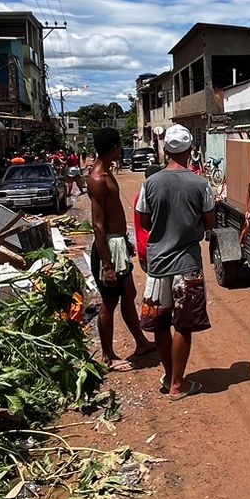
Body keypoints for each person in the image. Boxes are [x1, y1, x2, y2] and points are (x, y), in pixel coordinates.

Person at [136, 123, 216, 401]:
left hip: (158, 265)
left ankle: (170, 376)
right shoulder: (200, 184)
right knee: (183, 324)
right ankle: (177, 385)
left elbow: (144, 221)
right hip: (187, 264)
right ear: (191, 150)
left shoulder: (150, 182)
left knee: (160, 324)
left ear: (165, 149)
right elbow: (210, 224)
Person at [86, 129, 153, 373]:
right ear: (114, 147)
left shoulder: (108, 173)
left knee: (129, 292)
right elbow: (98, 225)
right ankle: (108, 356)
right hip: (108, 250)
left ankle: (142, 343)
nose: (122, 150)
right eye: (120, 147)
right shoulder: (98, 179)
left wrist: (125, 243)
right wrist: (107, 264)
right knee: (109, 301)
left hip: (118, 244)